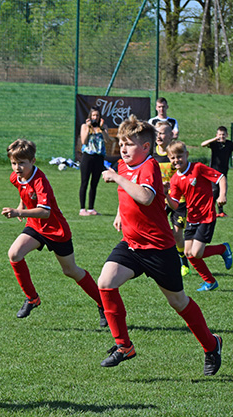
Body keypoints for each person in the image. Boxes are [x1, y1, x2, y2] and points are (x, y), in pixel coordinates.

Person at [98, 116, 222, 376]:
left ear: (145, 147)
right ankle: (124, 346)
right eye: (121, 143)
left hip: (158, 248)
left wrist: (117, 179)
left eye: (129, 144)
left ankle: (211, 345)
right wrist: (120, 214)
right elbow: (130, 198)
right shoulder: (123, 165)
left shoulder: (150, 167)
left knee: (178, 302)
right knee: (106, 282)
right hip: (131, 244)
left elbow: (144, 197)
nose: (123, 148)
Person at [1, 139, 107, 327]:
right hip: (35, 227)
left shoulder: (40, 181)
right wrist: (21, 204)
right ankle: (32, 298)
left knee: (70, 270)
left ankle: (103, 304)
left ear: (33, 161)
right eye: (14, 163)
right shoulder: (15, 177)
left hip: (56, 230)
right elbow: (22, 190)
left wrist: (19, 212)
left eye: (21, 163)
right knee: (14, 254)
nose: (17, 168)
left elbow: (45, 211)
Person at [166, 140, 231, 292]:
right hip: (192, 218)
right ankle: (210, 282)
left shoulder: (197, 168)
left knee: (196, 253)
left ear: (187, 155)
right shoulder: (175, 179)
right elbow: (175, 204)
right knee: (188, 253)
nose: (176, 160)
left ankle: (222, 249)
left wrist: (222, 195)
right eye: (173, 157)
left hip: (206, 215)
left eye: (179, 156)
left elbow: (221, 177)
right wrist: (165, 195)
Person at [154, 121, 190, 276]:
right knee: (157, 230)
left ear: (171, 135)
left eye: (162, 133)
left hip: (179, 201)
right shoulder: (151, 154)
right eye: (157, 132)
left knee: (176, 233)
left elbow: (185, 174)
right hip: (161, 200)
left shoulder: (176, 156)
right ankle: (162, 260)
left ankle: (183, 262)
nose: (159, 136)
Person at [78, 107, 107, 216]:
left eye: (97, 115)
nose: (95, 117)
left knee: (94, 183)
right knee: (84, 182)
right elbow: (84, 141)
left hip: (99, 157)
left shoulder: (103, 127)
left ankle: (91, 208)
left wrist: (102, 129)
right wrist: (89, 128)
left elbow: (107, 140)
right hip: (88, 156)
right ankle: (82, 209)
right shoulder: (85, 126)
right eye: (93, 115)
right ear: (90, 116)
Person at [201, 126, 233, 217]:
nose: (221, 136)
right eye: (219, 134)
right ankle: (209, 210)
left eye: (223, 135)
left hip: (224, 171)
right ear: (217, 135)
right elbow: (203, 144)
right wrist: (215, 139)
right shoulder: (214, 144)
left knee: (222, 192)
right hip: (213, 171)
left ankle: (220, 211)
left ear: (227, 135)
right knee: (214, 191)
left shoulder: (229, 144)